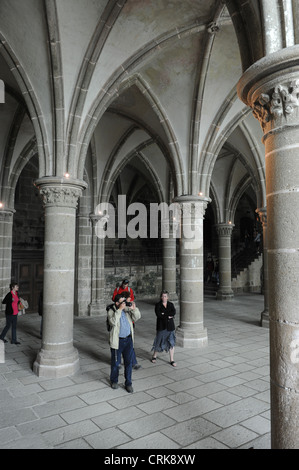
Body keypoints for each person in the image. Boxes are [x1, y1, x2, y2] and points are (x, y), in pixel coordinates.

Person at [107, 293, 141, 393]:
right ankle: (114, 380)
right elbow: (112, 322)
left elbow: (137, 317)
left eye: (124, 302)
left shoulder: (127, 309)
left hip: (128, 340)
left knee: (129, 363)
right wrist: (119, 310)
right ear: (117, 303)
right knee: (116, 363)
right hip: (118, 341)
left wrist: (134, 309)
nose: (124, 304)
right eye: (122, 302)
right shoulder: (111, 311)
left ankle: (128, 383)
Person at [151, 290, 177, 367]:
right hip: (161, 326)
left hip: (170, 327)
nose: (164, 298)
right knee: (158, 341)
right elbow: (159, 315)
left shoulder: (171, 304)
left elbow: (173, 312)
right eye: (162, 296)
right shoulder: (158, 305)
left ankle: (172, 359)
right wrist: (168, 316)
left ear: (167, 297)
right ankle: (154, 355)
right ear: (160, 297)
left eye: (165, 296)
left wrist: (164, 314)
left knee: (171, 343)